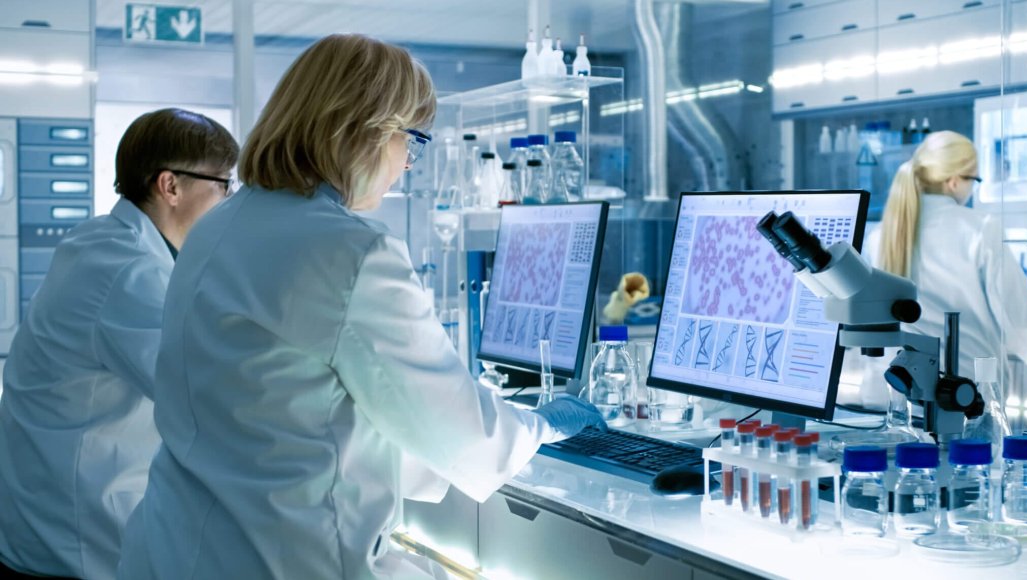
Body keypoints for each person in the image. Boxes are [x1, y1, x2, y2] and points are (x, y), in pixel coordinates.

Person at [117, 34, 605, 579]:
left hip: (173, 548)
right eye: (411, 142)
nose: (408, 165)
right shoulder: (349, 251)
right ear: (367, 131)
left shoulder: (216, 228)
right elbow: (465, 436)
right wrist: (542, 424)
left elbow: (292, 406)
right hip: (280, 559)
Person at [0, 108, 238, 579]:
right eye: (223, 186)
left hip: (42, 517)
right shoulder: (128, 271)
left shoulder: (102, 241)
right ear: (170, 186)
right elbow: (202, 395)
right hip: (74, 541)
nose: (229, 202)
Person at [864, 130, 1027, 388]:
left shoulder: (880, 234)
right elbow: (1015, 311)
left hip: (891, 392)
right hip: (964, 394)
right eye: (974, 179)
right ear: (954, 181)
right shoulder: (980, 229)